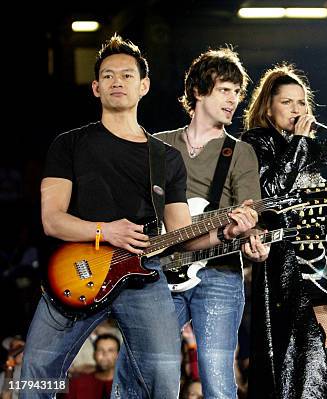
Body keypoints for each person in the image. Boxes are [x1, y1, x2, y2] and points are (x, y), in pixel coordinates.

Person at [19, 34, 257, 399]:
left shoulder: (165, 158)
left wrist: (226, 235)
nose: (118, 81)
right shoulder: (68, 144)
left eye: (128, 75)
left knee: (163, 381)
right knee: (35, 373)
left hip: (144, 279)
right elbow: (52, 220)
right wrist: (106, 231)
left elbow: (182, 235)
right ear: (96, 87)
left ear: (143, 86)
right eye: (109, 75)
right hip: (76, 272)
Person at [241, 64, 327, 398]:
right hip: (286, 269)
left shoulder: (310, 149)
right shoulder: (255, 142)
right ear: (268, 107)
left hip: (323, 266)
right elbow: (270, 192)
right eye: (287, 102)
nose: (297, 110)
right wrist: (299, 143)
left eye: (301, 103)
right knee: (296, 364)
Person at [154, 47, 268, 398]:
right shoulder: (158, 145)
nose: (234, 99)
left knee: (218, 380)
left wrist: (252, 235)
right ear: (199, 91)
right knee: (145, 370)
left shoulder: (240, 152)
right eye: (225, 90)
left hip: (218, 273)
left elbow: (250, 216)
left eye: (238, 92)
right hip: (156, 271)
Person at [63, 334, 120, 399]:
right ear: (94, 354)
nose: (105, 354)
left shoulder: (128, 383)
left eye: (110, 350)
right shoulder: (77, 382)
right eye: (100, 350)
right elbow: (50, 386)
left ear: (118, 355)